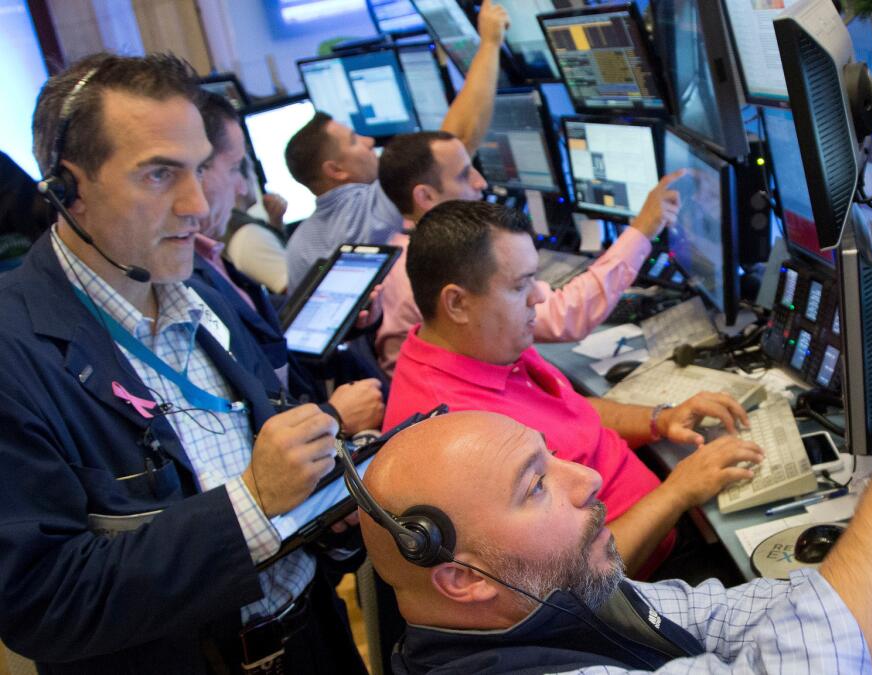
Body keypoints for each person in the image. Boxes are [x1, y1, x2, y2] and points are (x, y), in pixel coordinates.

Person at [359, 242, 872, 673]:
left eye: (550, 459)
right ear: (458, 576)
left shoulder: (549, 594)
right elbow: (815, 657)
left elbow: (736, 615)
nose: (585, 479)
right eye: (535, 486)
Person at [0, 53, 366, 674]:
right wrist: (253, 503)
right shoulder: (15, 352)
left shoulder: (201, 285)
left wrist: (331, 514)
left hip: (313, 641)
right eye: (159, 175)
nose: (198, 203)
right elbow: (43, 600)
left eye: (199, 169)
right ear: (69, 189)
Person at [384, 201, 761, 575]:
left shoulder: (485, 344)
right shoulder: (457, 437)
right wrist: (678, 492)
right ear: (457, 303)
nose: (541, 296)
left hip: (661, 521)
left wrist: (660, 419)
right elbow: (573, 580)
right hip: (640, 580)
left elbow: (571, 409)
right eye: (520, 286)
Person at [372, 134, 685, 372]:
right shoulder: (434, 266)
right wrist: (643, 228)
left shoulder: (402, 249)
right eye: (465, 175)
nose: (481, 183)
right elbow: (566, 317)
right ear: (425, 196)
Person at [192, 88, 384, 434]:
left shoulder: (212, 258)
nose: (241, 188)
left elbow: (271, 355)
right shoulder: (190, 272)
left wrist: (344, 324)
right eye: (236, 169)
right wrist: (333, 416)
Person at [283, 0, 511, 288]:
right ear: (336, 170)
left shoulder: (300, 243)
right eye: (354, 141)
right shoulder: (361, 218)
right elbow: (454, 143)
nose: (368, 141)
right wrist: (490, 43)